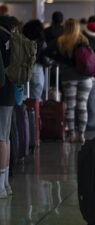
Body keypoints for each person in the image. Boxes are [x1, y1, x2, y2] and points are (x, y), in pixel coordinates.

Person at [55, 18, 93, 143]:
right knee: (82, 105)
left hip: (69, 77)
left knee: (70, 106)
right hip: (85, 77)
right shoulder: (84, 39)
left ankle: (71, 134)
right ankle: (81, 134)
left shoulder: (61, 41)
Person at [0, 15, 19, 198]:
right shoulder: (12, 39)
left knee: (1, 138)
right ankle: (4, 184)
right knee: (5, 138)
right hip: (10, 93)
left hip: (1, 92)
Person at [22, 20, 50, 100]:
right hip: (37, 69)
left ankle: (25, 112)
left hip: (22, 70)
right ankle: (35, 112)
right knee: (36, 99)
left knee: (24, 98)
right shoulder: (41, 42)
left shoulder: (22, 41)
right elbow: (47, 58)